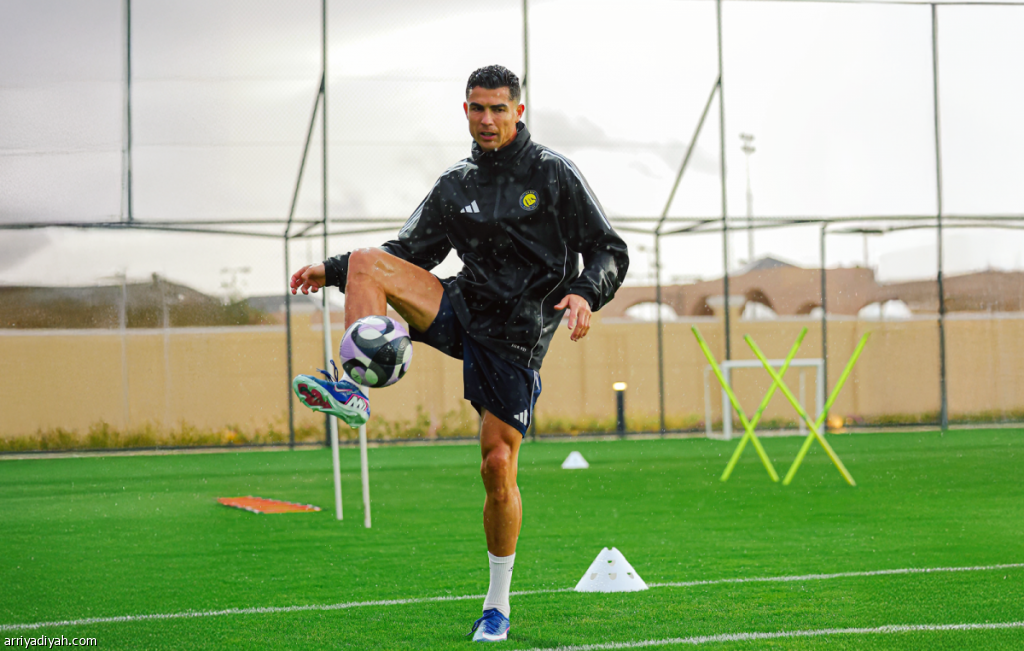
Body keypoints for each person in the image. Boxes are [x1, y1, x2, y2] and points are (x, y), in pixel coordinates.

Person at [290, 65, 628, 643]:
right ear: (465, 111)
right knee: (370, 262)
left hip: (516, 336)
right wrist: (334, 269)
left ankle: (497, 605)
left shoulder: (553, 174)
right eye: (478, 108)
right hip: (460, 308)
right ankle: (353, 389)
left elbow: (608, 250)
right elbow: (407, 252)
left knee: (496, 466)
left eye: (498, 108)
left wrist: (584, 293)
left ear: (518, 111)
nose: (487, 119)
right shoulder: (456, 183)